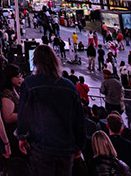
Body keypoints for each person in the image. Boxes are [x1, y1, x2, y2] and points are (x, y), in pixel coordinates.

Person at [16, 44, 86, 175]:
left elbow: (24, 113)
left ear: (35, 62)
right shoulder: (69, 86)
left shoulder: (30, 84)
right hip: (66, 146)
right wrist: (79, 145)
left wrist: (22, 136)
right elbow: (79, 119)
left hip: (40, 145)